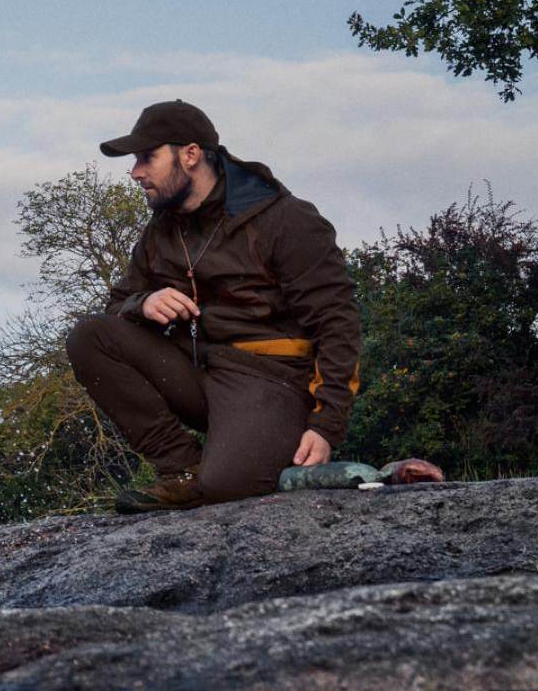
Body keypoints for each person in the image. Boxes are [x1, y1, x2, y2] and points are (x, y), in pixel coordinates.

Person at [65, 99, 362, 513]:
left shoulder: (285, 219)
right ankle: (181, 467)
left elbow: (338, 324)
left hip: (273, 382)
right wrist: (143, 302)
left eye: (147, 157)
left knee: (224, 485)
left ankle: (229, 470)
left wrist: (326, 426)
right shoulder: (160, 232)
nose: (135, 172)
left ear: (190, 154)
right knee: (89, 337)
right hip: (200, 373)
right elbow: (115, 306)